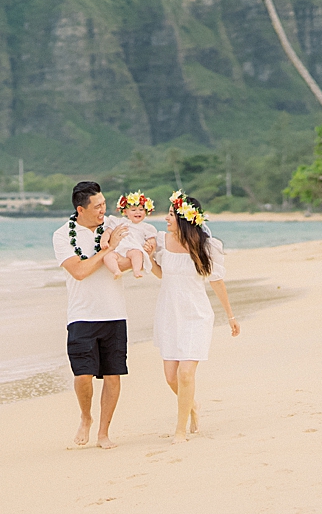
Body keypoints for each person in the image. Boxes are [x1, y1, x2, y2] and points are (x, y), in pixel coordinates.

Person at [53, 181, 149, 449]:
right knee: (83, 375)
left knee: (113, 374)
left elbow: (127, 260)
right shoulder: (63, 235)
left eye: (104, 204)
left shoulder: (113, 226)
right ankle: (86, 417)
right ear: (80, 209)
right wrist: (107, 250)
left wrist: (138, 256)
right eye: (97, 206)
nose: (102, 210)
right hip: (82, 315)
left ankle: (104, 432)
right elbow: (80, 272)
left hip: (114, 313)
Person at [147, 191, 239, 444]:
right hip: (169, 315)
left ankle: (180, 430)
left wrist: (230, 316)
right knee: (170, 377)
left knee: (186, 374)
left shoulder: (206, 247)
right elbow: (162, 274)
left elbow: (217, 282)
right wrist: (147, 256)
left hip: (195, 316)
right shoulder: (161, 241)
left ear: (184, 218)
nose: (165, 218)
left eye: (170, 214)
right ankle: (193, 406)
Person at [102, 192, 159, 280]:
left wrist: (151, 245)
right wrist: (104, 241)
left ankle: (136, 270)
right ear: (125, 212)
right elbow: (108, 231)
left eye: (141, 209)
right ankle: (116, 271)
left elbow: (151, 239)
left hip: (133, 249)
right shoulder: (118, 221)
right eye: (133, 210)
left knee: (137, 253)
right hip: (118, 249)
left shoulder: (146, 227)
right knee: (107, 257)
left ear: (146, 211)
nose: (137, 212)